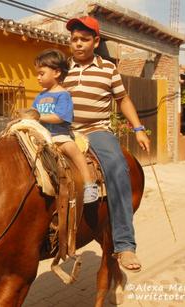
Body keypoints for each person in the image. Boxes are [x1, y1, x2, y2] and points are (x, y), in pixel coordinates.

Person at [63, 16, 151, 272]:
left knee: (117, 167)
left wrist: (139, 130)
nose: (78, 44)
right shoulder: (63, 68)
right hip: (64, 132)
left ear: (96, 41)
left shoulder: (107, 69)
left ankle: (124, 244)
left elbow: (123, 100)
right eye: (74, 39)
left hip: (95, 132)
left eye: (84, 39)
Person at [32, 49, 99, 204]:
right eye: (37, 73)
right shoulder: (40, 96)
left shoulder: (63, 95)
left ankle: (89, 184)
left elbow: (60, 117)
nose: (38, 77)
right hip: (41, 136)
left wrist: (39, 117)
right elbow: (33, 113)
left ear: (56, 73)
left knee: (72, 149)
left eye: (41, 73)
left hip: (59, 136)